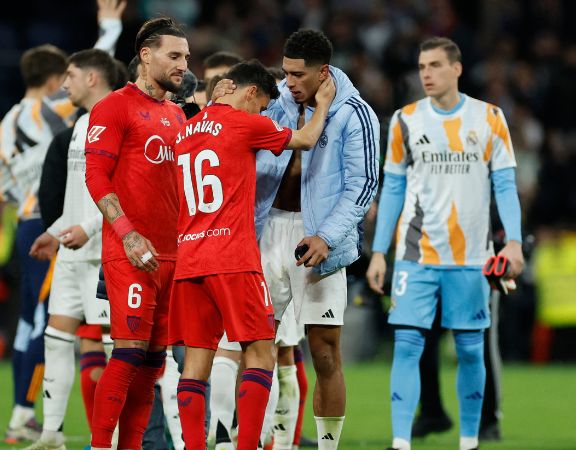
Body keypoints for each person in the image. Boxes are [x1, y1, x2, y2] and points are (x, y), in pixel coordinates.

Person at [365, 37, 524, 450]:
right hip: (417, 256)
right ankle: (401, 442)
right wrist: (380, 252)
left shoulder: (489, 118)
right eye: (421, 66)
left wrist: (515, 244)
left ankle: (469, 441)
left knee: (471, 351)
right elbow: (394, 190)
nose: (426, 74)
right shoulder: (405, 120)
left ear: (457, 68)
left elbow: (505, 184)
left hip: (472, 257)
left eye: (435, 65)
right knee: (407, 344)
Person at [170, 59, 335, 450]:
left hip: (190, 259)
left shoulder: (187, 129)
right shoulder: (244, 123)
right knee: (262, 353)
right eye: (261, 105)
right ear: (250, 92)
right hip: (233, 259)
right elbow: (306, 139)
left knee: (195, 362)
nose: (262, 113)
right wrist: (324, 104)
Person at [254, 28, 380, 449]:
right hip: (269, 230)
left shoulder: (354, 112)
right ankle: (255, 441)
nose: (288, 82)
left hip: (317, 242)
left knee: (324, 353)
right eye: (285, 72)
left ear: (323, 72)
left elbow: (362, 186)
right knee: (254, 344)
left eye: (297, 75)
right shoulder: (275, 102)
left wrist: (326, 236)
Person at [84, 17, 189, 450]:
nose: (184, 64)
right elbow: (96, 176)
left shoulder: (178, 114)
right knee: (126, 354)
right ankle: (99, 445)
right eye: (175, 55)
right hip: (130, 253)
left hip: (172, 256)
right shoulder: (114, 106)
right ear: (146, 56)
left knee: (152, 363)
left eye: (186, 56)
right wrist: (127, 233)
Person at [26, 48, 120, 450]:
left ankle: (118, 437)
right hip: (72, 251)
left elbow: (129, 193)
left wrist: (90, 226)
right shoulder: (80, 126)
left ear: (93, 78)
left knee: (121, 348)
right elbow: (76, 195)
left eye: (70, 75)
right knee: (56, 338)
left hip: (108, 254)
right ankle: (51, 435)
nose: (64, 84)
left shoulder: (120, 120)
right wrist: (57, 229)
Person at [0, 42, 71, 443]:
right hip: (47, 223)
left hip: (24, 221)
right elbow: (98, 89)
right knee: (44, 322)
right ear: (57, 80)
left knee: (27, 323)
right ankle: (23, 414)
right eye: (67, 80)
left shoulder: (5, 123)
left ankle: (20, 412)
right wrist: (109, 30)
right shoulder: (49, 111)